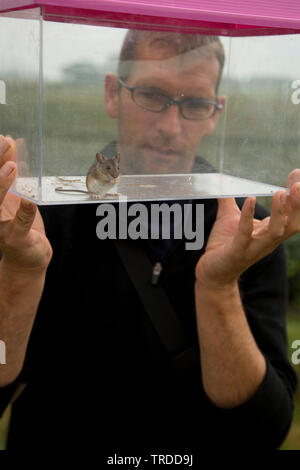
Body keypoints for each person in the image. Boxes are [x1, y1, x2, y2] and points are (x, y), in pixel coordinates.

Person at [0, 30, 299, 456]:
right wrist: (20, 272)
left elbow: (264, 430)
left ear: (217, 112)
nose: (169, 127)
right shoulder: (39, 218)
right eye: (152, 95)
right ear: (111, 94)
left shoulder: (251, 232)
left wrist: (218, 287)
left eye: (194, 103)